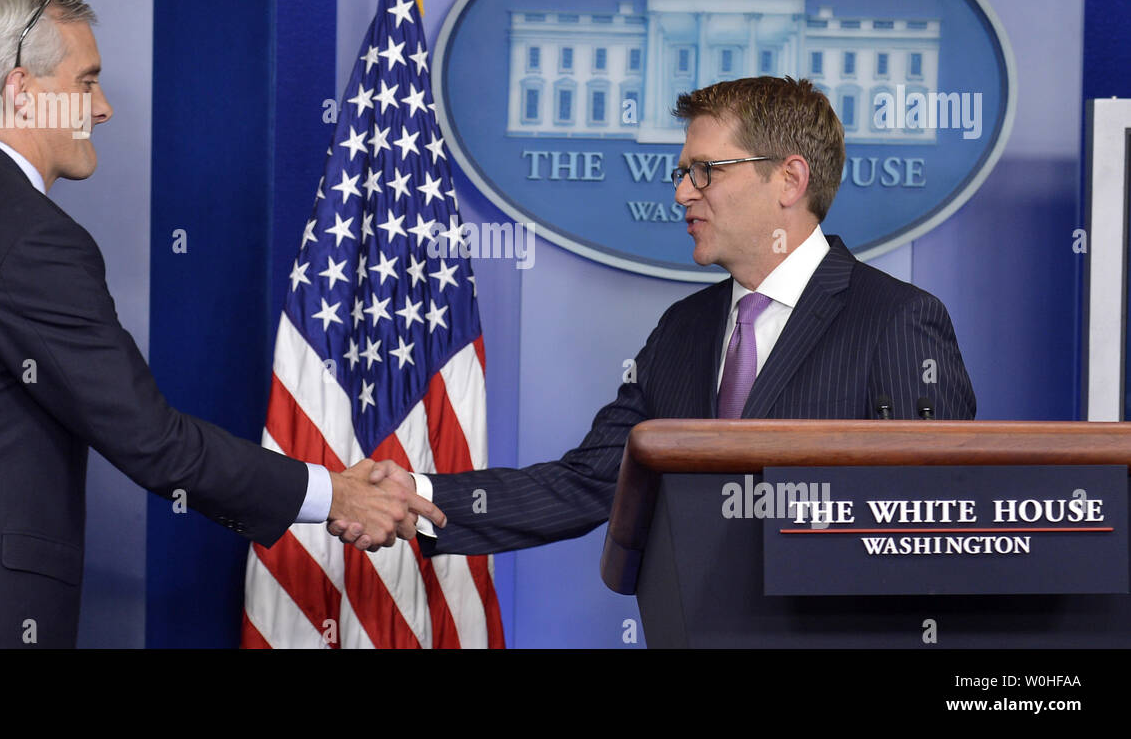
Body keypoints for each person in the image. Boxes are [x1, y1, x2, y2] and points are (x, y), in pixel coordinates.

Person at [0, 0, 442, 648]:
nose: (104, 108)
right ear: (21, 92)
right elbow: (154, 443)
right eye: (86, 82)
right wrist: (336, 494)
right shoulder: (28, 237)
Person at [330, 75, 976, 556]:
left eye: (704, 171)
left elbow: (938, 529)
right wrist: (417, 497)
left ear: (789, 179)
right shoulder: (682, 330)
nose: (681, 192)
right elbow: (585, 482)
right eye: (680, 172)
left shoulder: (898, 321)